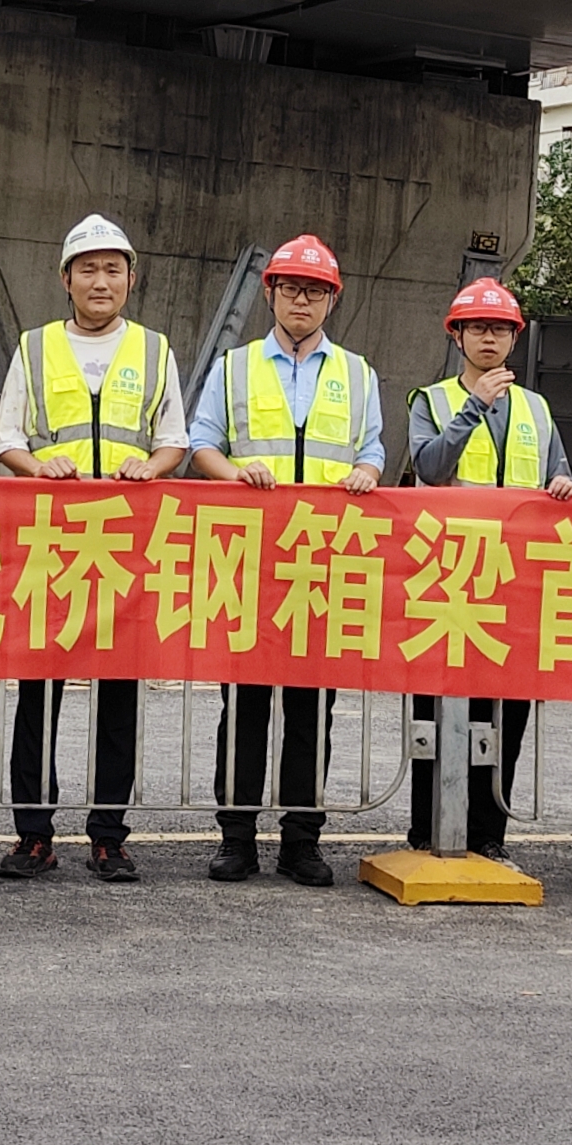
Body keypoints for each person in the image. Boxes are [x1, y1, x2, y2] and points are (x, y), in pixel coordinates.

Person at [0, 213, 184, 883]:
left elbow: (175, 438)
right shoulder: (35, 346)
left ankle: (109, 835)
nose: (100, 282)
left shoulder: (155, 350)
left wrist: (151, 470)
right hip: (51, 544)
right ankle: (33, 835)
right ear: (65, 279)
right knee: (37, 693)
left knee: (118, 696)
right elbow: (5, 436)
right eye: (88, 269)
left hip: (124, 547)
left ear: (131, 279)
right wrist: (35, 467)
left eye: (113, 269)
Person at [186, 233, 383, 889]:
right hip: (248, 564)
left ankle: (302, 841)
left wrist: (364, 471)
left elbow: (374, 451)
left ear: (333, 299)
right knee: (242, 707)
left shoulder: (357, 373)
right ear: (270, 292)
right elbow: (202, 445)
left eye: (316, 290)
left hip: (322, 566)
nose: (303, 299)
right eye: (292, 287)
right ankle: (235, 839)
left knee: (311, 713)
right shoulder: (234, 366)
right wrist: (237, 474)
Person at [403, 275, 572, 863]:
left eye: (500, 329)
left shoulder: (536, 407)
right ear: (458, 336)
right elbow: (429, 467)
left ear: (513, 338)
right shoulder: (432, 400)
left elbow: (557, 471)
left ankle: (489, 834)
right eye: (478, 327)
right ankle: (427, 828)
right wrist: (474, 407)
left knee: (505, 712)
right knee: (437, 704)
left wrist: (563, 482)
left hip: (516, 577)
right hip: (448, 574)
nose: (489, 338)